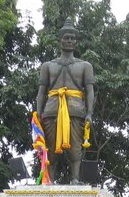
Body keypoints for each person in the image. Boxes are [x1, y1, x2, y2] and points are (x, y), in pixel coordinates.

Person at [35, 19, 95, 184]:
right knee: (51, 147)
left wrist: (90, 113)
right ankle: (49, 179)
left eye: (72, 38)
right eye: (66, 37)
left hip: (75, 110)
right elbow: (41, 92)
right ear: (60, 40)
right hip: (52, 109)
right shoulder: (48, 66)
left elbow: (90, 91)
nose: (69, 40)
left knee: (76, 147)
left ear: (76, 42)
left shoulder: (85, 66)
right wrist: (38, 114)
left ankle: (75, 178)